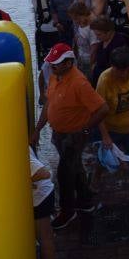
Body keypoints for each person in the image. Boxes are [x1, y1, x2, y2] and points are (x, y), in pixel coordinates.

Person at [31, 44, 108, 229]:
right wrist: (38, 129)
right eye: (51, 63)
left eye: (56, 63)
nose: (52, 66)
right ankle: (85, 201)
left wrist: (85, 129)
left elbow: (103, 108)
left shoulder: (79, 83)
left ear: (68, 63)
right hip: (59, 134)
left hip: (74, 136)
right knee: (75, 167)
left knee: (64, 174)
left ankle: (68, 212)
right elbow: (49, 104)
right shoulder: (55, 77)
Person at [96, 46, 129, 210]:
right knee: (103, 159)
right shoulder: (104, 80)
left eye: (127, 70)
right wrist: (105, 136)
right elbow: (97, 111)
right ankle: (95, 181)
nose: (124, 74)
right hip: (112, 128)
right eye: (119, 71)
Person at [29, 147, 58, 259]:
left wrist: (16, 181)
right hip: (33, 199)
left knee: (44, 238)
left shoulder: (12, 149)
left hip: (40, 198)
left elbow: (45, 173)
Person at [88, 16, 129, 86]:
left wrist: (96, 69)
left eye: (99, 34)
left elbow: (116, 69)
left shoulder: (119, 43)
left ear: (109, 32)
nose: (97, 37)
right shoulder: (103, 41)